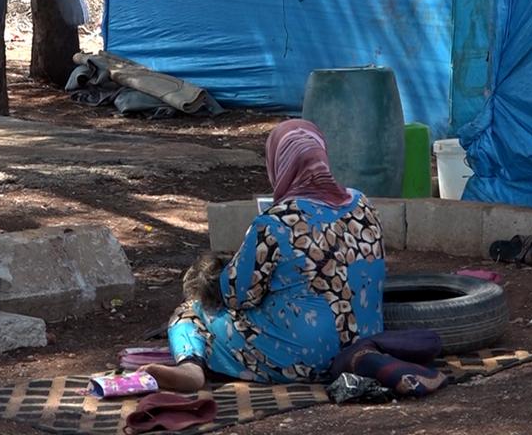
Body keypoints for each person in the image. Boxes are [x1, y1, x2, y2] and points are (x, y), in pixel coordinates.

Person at [143, 120, 386, 392]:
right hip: (363, 349)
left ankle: (190, 366)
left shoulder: (274, 223)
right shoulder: (363, 204)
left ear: (279, 164)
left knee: (192, 310)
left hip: (303, 360)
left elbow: (236, 295)